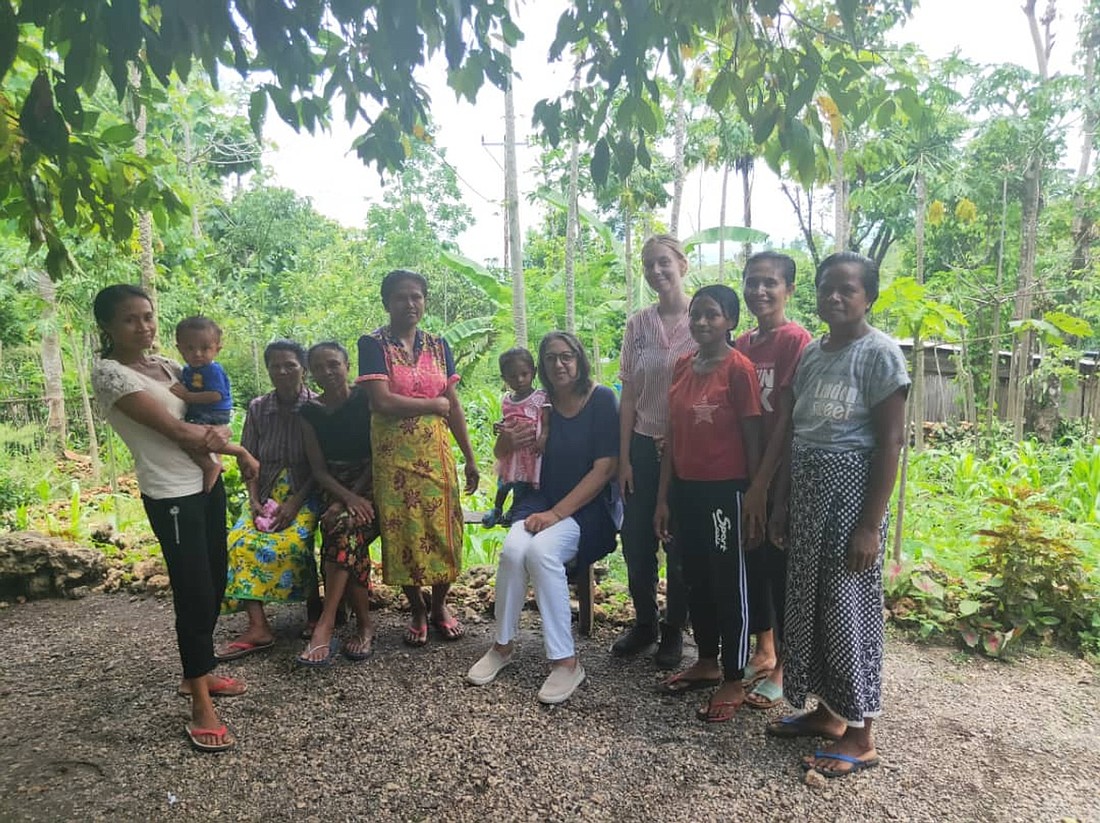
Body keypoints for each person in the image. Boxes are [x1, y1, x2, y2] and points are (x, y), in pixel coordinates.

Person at [91, 285, 258, 753]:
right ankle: (200, 702)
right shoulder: (112, 375)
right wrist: (237, 447)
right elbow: (177, 429)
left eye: (147, 316)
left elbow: (205, 412)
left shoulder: (166, 366)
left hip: (206, 485)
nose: (143, 326)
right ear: (106, 326)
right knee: (194, 591)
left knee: (217, 580)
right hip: (171, 494)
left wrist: (216, 446)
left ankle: (198, 672)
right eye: (129, 319)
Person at [765, 252, 909, 779]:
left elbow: (891, 441)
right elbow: (796, 435)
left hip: (853, 500)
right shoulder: (812, 354)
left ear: (867, 296)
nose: (835, 297)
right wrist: (780, 504)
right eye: (827, 287)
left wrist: (871, 524)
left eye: (847, 289)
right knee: (812, 607)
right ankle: (828, 714)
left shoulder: (881, 354)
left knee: (850, 612)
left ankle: (862, 735)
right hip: (806, 489)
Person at [466, 332, 620, 705]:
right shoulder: (537, 402)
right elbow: (503, 454)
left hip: (587, 509)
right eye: (550, 358)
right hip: (536, 499)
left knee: (541, 554)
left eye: (566, 356)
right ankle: (501, 646)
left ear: (580, 359)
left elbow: (605, 469)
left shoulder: (600, 399)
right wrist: (508, 439)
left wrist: (555, 514)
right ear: (541, 366)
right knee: (512, 552)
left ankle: (566, 662)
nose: (559, 364)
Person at [654, 285, 762, 723]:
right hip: (686, 490)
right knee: (692, 577)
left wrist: (756, 495)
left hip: (726, 493)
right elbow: (674, 438)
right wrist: (664, 498)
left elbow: (753, 437)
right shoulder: (682, 366)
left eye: (712, 315)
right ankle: (707, 660)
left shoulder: (740, 369)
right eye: (696, 314)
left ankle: (735, 675)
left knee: (727, 582)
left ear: (731, 321)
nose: (701, 322)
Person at [357, 270, 479, 646]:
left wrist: (470, 458)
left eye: (416, 297)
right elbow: (381, 400)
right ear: (386, 302)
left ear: (424, 301)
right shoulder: (372, 344)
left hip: (437, 456)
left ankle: (440, 604)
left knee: (445, 530)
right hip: (394, 461)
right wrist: (433, 404)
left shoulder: (440, 345)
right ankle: (417, 608)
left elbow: (453, 405)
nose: (410, 304)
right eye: (400, 297)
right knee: (405, 533)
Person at [612, 234, 697, 669]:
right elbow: (628, 395)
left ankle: (674, 629)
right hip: (643, 445)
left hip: (688, 453)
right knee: (637, 542)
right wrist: (624, 458)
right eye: (648, 265)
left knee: (679, 544)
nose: (656, 271)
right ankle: (644, 621)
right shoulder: (637, 325)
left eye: (663, 262)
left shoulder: (704, 319)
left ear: (682, 263)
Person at [734, 253, 812, 709]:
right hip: (745, 471)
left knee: (779, 567)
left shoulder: (794, 340)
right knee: (752, 562)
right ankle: (762, 649)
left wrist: (763, 483)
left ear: (789, 290)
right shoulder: (743, 342)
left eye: (770, 283)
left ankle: (783, 664)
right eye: (752, 282)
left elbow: (785, 417)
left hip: (778, 473)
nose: (760, 291)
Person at [218, 339, 322, 661]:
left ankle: (315, 611)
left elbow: (323, 468)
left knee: (296, 541)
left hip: (308, 492)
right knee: (239, 539)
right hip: (265, 493)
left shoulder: (318, 407)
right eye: (275, 366)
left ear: (303, 368)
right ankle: (258, 626)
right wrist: (253, 501)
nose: (282, 371)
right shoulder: (258, 408)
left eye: (290, 364)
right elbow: (248, 460)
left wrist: (294, 504)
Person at [295, 341, 379, 665]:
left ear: (347, 365)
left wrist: (356, 496)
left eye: (334, 364)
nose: (327, 372)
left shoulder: (365, 399)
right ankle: (363, 626)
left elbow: (376, 455)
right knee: (344, 530)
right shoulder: (310, 412)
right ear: (310, 373)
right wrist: (345, 499)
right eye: (318, 367)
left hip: (371, 483)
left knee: (342, 526)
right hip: (334, 485)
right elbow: (319, 469)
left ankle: (326, 624)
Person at [482, 347, 550, 528]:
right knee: (504, 483)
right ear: (504, 378)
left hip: (529, 452)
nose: (519, 380)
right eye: (512, 376)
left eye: (524, 374)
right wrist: (500, 425)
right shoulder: (507, 399)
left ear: (533, 372)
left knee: (521, 484)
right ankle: (496, 509)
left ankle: (514, 509)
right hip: (511, 452)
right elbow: (508, 418)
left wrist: (543, 436)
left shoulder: (541, 397)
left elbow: (546, 420)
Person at [170, 316, 234, 492]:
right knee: (210, 438)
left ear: (217, 349)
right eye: (190, 348)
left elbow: (216, 395)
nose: (197, 353)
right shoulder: (189, 370)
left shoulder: (212, 370)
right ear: (180, 349)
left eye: (205, 348)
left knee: (188, 438)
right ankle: (217, 463)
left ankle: (208, 465)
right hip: (206, 411)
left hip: (213, 411)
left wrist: (188, 396)